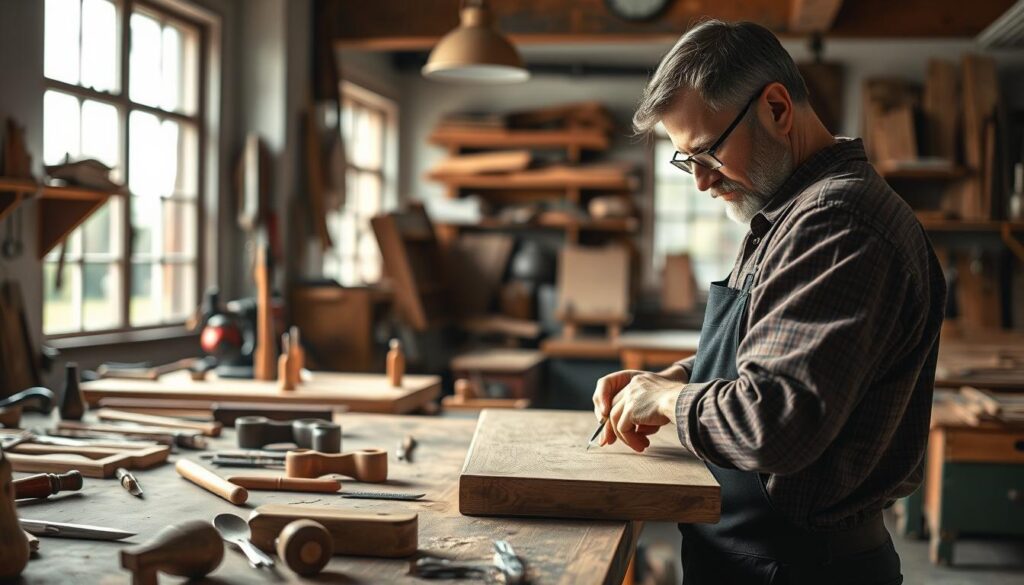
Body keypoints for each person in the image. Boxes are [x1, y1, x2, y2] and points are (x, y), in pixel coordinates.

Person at [592, 20, 945, 585]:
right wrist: (668, 378)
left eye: (706, 152)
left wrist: (670, 402)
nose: (702, 182)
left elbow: (776, 422)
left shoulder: (838, 223)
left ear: (777, 108)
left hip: (802, 568)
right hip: (758, 556)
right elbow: (769, 352)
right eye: (687, 162)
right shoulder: (789, 214)